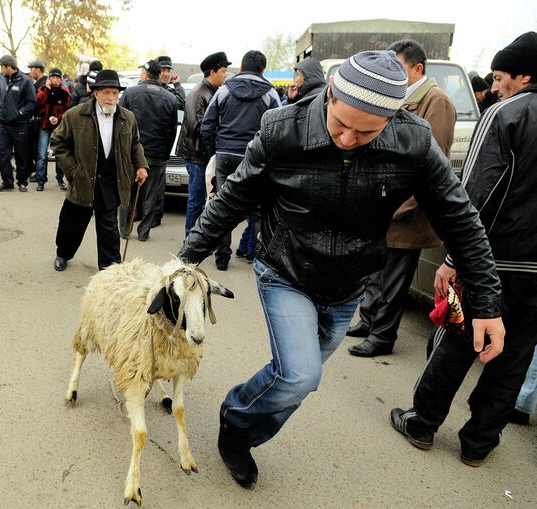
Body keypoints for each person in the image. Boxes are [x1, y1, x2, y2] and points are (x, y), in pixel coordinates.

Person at [179, 50, 505, 488]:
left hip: (351, 281)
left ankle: (247, 426)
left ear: (392, 119)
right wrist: (181, 262)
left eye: (366, 132)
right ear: (329, 95)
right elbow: (231, 199)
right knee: (300, 373)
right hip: (286, 270)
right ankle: (235, 423)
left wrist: (486, 302)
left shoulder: (415, 142)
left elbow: (462, 222)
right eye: (340, 125)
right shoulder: (281, 130)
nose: (349, 139)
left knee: (299, 381)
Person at [391, 32, 537, 467]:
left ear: (524, 74)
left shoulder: (507, 114)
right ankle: (479, 442)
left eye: (499, 77)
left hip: (491, 262)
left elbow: (472, 194)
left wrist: (455, 259)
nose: (494, 87)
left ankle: (423, 422)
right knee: (514, 354)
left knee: (457, 339)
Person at [348, 40, 457, 357]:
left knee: (394, 280)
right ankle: (367, 321)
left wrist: (397, 207)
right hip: (385, 202)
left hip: (406, 212)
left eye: (398, 67)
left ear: (417, 69)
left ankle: (382, 337)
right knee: (374, 272)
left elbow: (432, 165)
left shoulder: (437, 101)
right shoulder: (399, 96)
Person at [50, 69, 148, 272]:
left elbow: (135, 144)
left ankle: (110, 268)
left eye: (115, 93)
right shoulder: (76, 115)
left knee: (108, 229)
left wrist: (141, 165)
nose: (111, 97)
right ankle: (63, 254)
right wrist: (72, 171)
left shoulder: (127, 118)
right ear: (96, 93)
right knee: (72, 224)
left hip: (111, 182)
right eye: (106, 92)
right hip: (83, 180)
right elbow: (57, 141)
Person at [200, 50, 280, 271]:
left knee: (223, 205)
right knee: (256, 211)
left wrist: (215, 151)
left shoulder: (224, 90)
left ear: (242, 67)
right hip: (253, 158)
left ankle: (222, 258)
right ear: (262, 70)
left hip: (225, 155)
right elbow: (278, 130)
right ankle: (263, 259)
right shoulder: (271, 94)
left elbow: (207, 125)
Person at [119, 59, 178, 241]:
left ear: (145, 74)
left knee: (127, 192)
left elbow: (119, 123)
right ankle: (143, 232)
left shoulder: (130, 93)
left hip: (130, 153)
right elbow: (172, 130)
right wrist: (165, 154)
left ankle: (124, 231)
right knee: (150, 195)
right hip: (157, 155)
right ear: (159, 74)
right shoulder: (170, 98)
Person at [176, 51, 230, 238]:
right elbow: (195, 127)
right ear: (212, 71)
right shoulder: (199, 93)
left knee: (204, 200)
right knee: (196, 201)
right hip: (197, 155)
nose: (226, 75)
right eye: (223, 71)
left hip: (204, 155)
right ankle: (190, 240)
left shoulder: (214, 92)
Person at [0, 54, 36, 192]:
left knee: (21, 154)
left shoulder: (25, 81)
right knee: (3, 154)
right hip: (3, 123)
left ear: (9, 67)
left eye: (2, 66)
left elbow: (32, 102)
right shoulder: (3, 79)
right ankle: (7, 182)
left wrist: (20, 113)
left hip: (19, 125)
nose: (0, 68)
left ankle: (22, 182)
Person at [34, 67, 70, 191]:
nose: (55, 80)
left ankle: (60, 178)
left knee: (59, 154)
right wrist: (47, 90)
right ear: (49, 79)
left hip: (59, 128)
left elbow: (67, 110)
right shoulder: (43, 90)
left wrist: (58, 117)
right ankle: (40, 180)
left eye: (57, 78)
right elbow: (38, 102)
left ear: (61, 80)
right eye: (52, 77)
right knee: (42, 154)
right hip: (43, 126)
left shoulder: (65, 93)